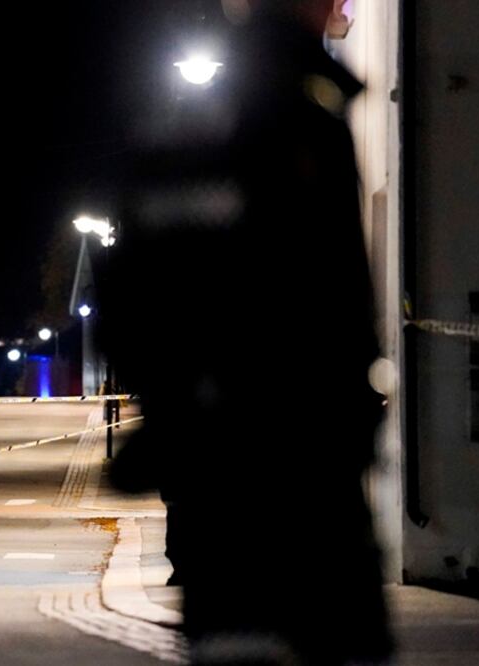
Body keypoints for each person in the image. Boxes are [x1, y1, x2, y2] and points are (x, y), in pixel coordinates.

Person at [103, 1, 392, 663]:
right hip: (298, 463)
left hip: (216, 473)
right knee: (333, 643)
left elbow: (128, 290)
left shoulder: (179, 121)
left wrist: (169, 417)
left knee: (239, 644)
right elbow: (328, 298)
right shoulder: (295, 112)